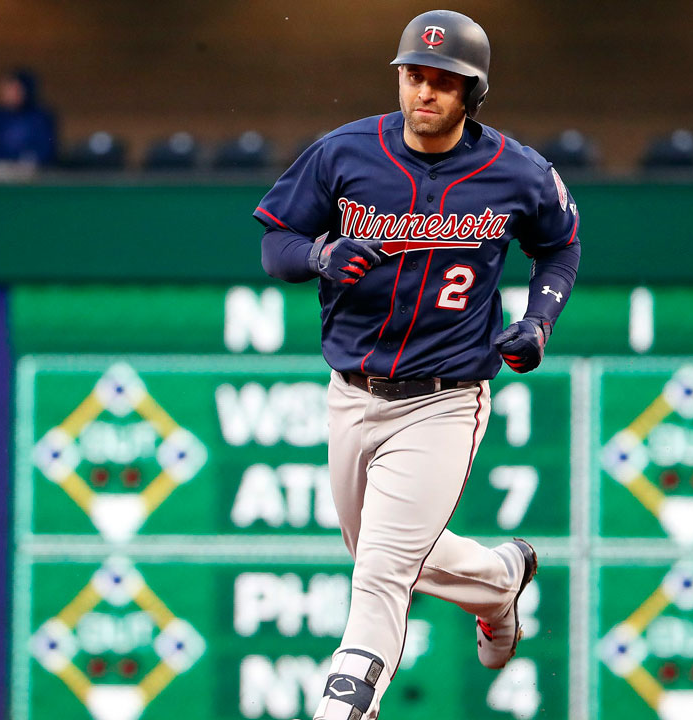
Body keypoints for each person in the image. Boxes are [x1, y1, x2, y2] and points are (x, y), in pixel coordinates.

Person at [252, 9, 581, 719]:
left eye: (443, 82)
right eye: (414, 76)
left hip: (444, 398)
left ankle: (346, 706)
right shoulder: (345, 153)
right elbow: (277, 240)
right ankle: (499, 579)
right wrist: (317, 255)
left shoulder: (516, 171)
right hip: (352, 392)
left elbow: (560, 243)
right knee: (383, 553)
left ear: (472, 94)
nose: (424, 92)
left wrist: (538, 322)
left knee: (379, 573)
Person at [0, 68, 57, 165]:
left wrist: (26, 162)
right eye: (6, 89)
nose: (7, 93)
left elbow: (46, 149)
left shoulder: (40, 117)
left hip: (32, 173)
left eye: (14, 89)